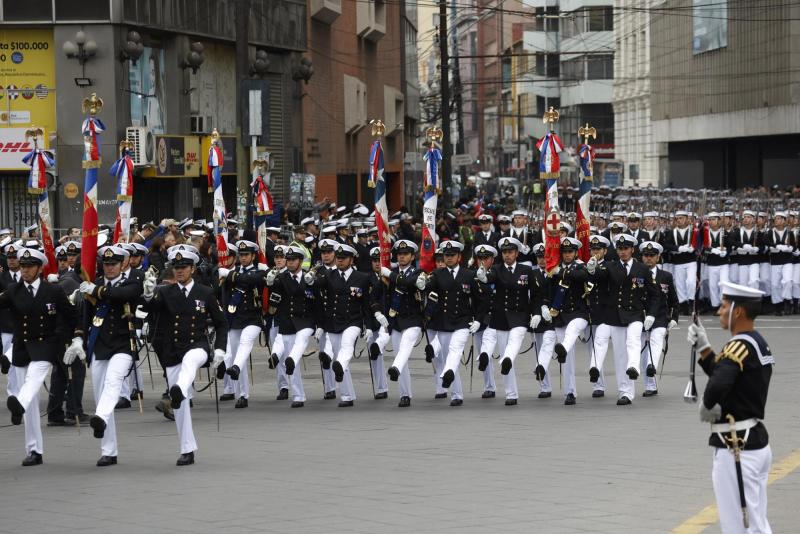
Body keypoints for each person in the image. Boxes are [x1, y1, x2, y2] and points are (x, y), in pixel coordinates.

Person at [687, 281, 773, 534]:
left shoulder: (738, 345)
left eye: (724, 306)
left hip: (736, 445)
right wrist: (704, 349)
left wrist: (708, 402)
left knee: (738, 524)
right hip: (753, 440)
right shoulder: (755, 342)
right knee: (755, 521)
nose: (719, 312)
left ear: (738, 311)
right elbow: (727, 373)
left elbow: (720, 383)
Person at [143, 247, 228, 466]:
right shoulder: (165, 292)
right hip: (172, 349)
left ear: (192, 268)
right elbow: (150, 309)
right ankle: (187, 448)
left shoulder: (205, 292)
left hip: (197, 344)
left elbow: (221, 323)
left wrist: (220, 349)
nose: (179, 271)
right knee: (179, 406)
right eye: (176, 267)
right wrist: (149, 294)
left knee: (191, 361)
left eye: (183, 267)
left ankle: (179, 388)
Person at [2, 248, 83, 466]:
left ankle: (18, 404)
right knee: (29, 400)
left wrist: (76, 338)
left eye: (29, 267)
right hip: (21, 348)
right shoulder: (13, 290)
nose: (25, 270)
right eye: (22, 267)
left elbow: (72, 315)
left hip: (46, 345)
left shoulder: (53, 291)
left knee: (34, 380)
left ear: (39, 269)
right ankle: (34, 450)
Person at [80, 245, 144, 467]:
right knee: (100, 394)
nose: (109, 268)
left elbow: (123, 295)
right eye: (106, 264)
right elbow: (86, 316)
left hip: (123, 344)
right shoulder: (94, 284)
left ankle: (101, 418)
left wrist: (95, 291)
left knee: (114, 381)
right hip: (100, 345)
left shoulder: (132, 282)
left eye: (113, 264)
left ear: (123, 264)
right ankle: (109, 451)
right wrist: (79, 339)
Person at [476, 237, 543, 405]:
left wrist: (536, 313)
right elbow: (489, 279)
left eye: (510, 252)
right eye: (505, 252)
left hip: (520, 315)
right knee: (505, 350)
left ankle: (507, 359)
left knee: (515, 340)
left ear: (517, 253)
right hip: (500, 318)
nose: (507, 255)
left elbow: (535, 295)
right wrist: (483, 277)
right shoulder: (497, 269)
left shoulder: (526, 270)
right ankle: (511, 394)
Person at [416, 241, 483, 406]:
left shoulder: (469, 275)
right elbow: (429, 286)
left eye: (452, 255)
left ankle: (448, 374)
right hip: (444, 322)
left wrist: (479, 320)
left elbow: (479, 300)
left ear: (459, 256)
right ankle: (456, 395)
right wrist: (422, 285)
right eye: (446, 255)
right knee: (447, 356)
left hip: (462, 320)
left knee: (455, 349)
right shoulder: (438, 274)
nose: (449, 258)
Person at [305, 243, 372, 407]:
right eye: (339, 258)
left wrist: (369, 325)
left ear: (351, 260)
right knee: (338, 357)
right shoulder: (329, 275)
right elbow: (317, 287)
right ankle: (347, 396)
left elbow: (367, 304)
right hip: (334, 322)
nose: (340, 261)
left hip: (353, 320)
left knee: (347, 344)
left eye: (344, 258)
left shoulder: (362, 277)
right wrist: (310, 279)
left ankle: (340, 366)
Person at [218, 240, 268, 409]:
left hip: (253, 318)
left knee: (245, 342)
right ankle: (242, 394)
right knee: (235, 356)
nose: (244, 258)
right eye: (241, 255)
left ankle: (238, 374)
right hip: (235, 319)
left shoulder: (259, 272)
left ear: (253, 256)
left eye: (247, 255)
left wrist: (230, 274)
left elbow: (251, 279)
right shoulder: (232, 271)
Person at [265, 246, 316, 408]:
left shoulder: (309, 276)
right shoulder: (281, 277)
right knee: (289, 360)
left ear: (300, 261)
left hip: (306, 320)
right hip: (287, 322)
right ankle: (298, 396)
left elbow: (317, 298)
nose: (290, 263)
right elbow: (274, 296)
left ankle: (291, 359)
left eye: (293, 260)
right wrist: (270, 282)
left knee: (299, 344)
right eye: (288, 260)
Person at [380, 240, 424, 408]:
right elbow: (384, 297)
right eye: (399, 254)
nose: (402, 257)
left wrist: (389, 276)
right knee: (401, 354)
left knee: (405, 347)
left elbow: (408, 283)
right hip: (396, 320)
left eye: (405, 254)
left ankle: (395, 368)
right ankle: (405, 394)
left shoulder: (418, 272)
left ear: (412, 256)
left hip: (413, 319)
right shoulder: (389, 273)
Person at [638, 241, 679, 397]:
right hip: (641, 317)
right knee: (642, 353)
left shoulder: (665, 276)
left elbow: (674, 300)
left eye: (652, 255)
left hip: (661, 317)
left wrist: (675, 318)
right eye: (646, 255)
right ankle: (651, 385)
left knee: (656, 341)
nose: (648, 258)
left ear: (658, 257)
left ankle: (652, 364)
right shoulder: (637, 274)